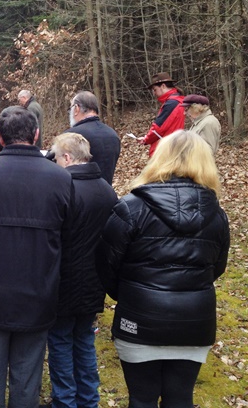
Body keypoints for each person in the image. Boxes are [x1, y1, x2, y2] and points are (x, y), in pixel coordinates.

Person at [97, 130, 229, 407]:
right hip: (194, 321)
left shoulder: (130, 207)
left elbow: (107, 265)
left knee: (141, 399)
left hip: (139, 317)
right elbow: (217, 267)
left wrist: (130, 295)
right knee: (180, 399)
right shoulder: (217, 215)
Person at [0, 106, 72, 407]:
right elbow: (67, 232)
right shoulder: (60, 178)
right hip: (38, 290)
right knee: (26, 378)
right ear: (36, 135)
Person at [47, 133, 118, 408]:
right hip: (94, 281)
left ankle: (65, 401)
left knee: (61, 341)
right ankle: (88, 400)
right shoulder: (106, 189)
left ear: (66, 157)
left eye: (56, 158)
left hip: (63, 280)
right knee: (84, 339)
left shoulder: (62, 188)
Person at [66, 91, 121, 184]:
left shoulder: (70, 136)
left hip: (78, 191)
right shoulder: (113, 135)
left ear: (76, 108)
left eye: (70, 108)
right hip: (107, 191)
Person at [138, 72, 185, 157]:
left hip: (166, 151)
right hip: (174, 147)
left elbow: (158, 129)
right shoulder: (179, 100)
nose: (154, 93)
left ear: (163, 86)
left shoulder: (171, 104)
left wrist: (146, 139)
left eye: (155, 89)